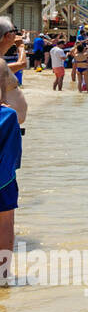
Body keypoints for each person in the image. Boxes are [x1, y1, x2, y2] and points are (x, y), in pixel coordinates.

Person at [0, 98, 21, 284]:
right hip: (3, 179)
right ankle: (3, 274)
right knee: (5, 223)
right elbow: (15, 150)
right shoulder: (9, 114)